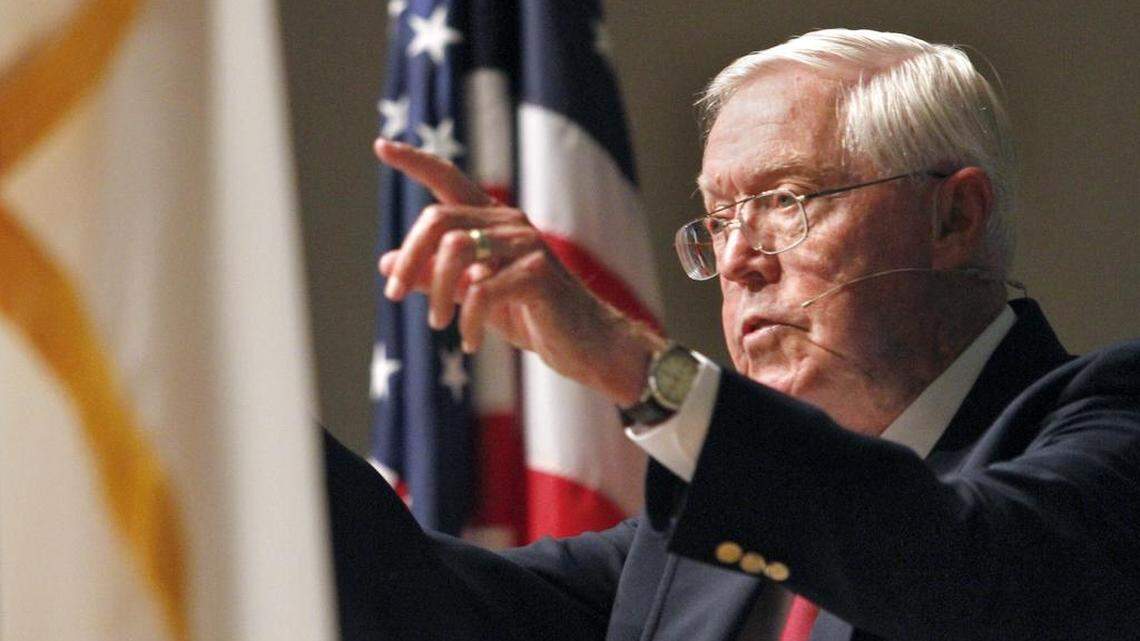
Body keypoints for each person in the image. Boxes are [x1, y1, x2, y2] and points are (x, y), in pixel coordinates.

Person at [325, 28, 1140, 640]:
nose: (740, 259)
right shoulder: (700, 532)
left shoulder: (1110, 426)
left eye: (786, 199)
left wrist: (635, 364)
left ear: (953, 217)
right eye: (718, 221)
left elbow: (954, 568)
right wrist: (220, 396)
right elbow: (413, 595)